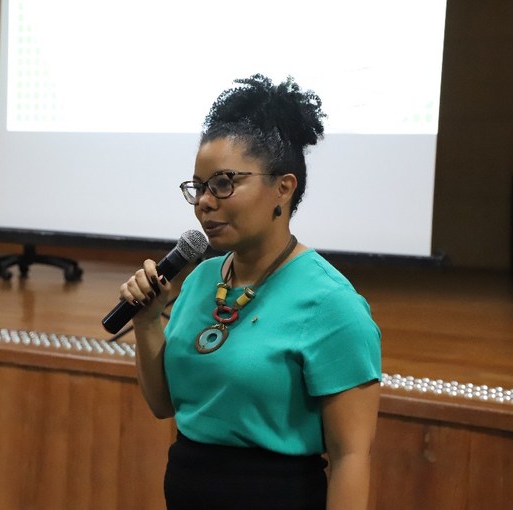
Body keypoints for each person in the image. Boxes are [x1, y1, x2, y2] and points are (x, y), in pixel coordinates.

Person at [118, 74, 381, 510]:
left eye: (223, 183)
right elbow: (164, 404)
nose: (204, 201)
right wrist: (147, 323)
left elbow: (351, 457)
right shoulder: (201, 280)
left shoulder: (332, 303)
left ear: (283, 188)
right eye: (198, 187)